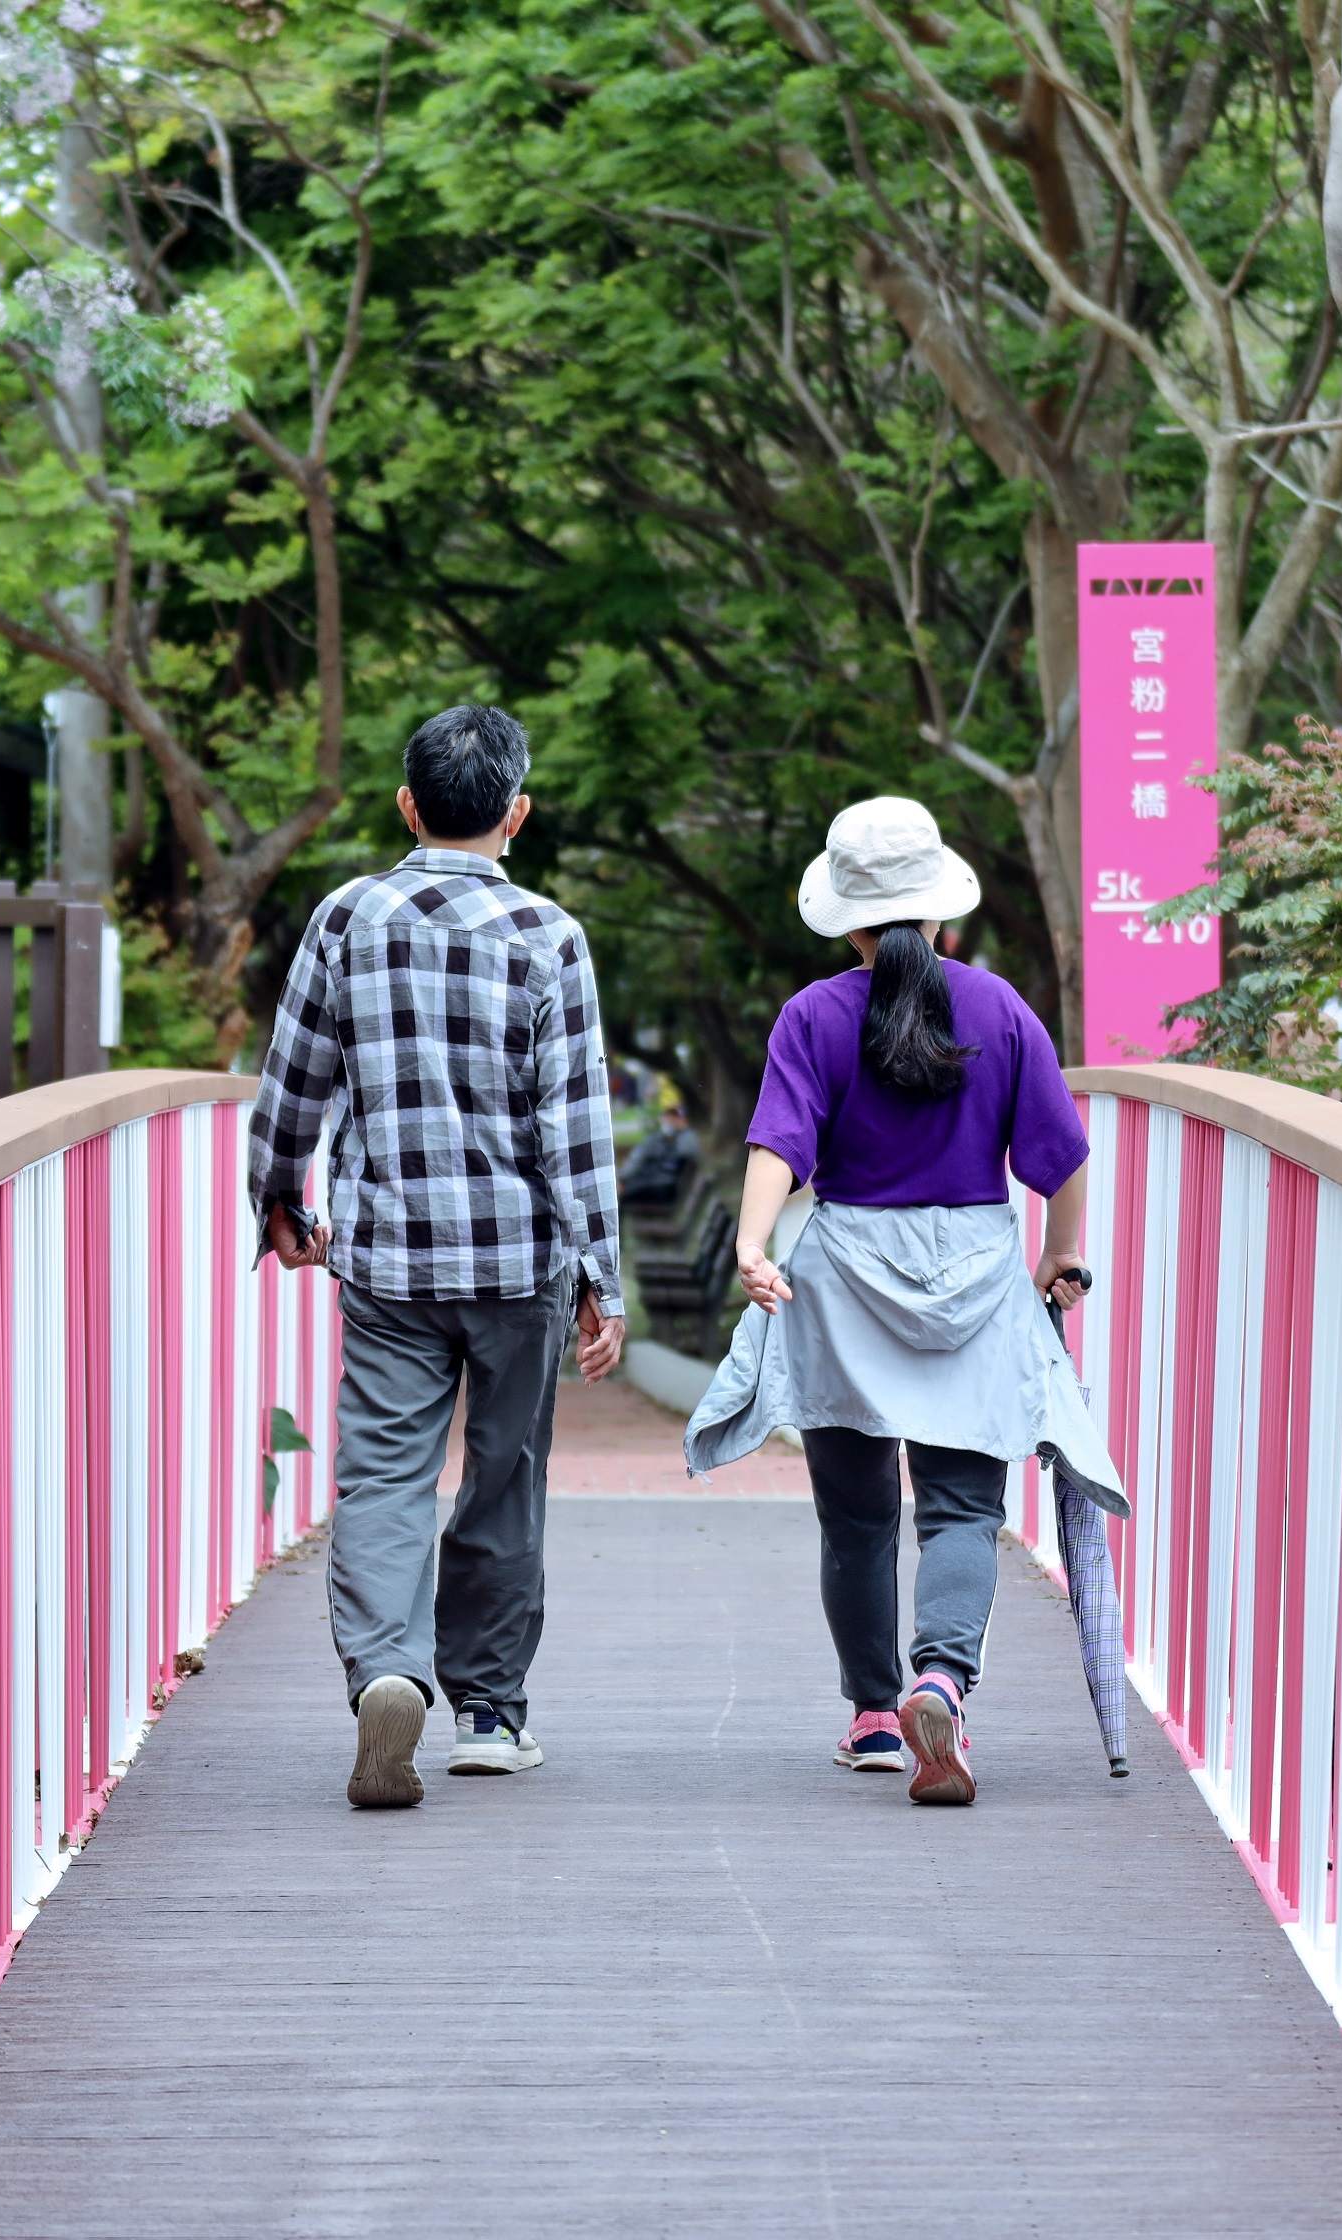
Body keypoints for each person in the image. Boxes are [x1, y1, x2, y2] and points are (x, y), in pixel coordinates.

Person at [683, 797, 1123, 1807]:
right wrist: (1061, 1253)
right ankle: (943, 1680)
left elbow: (778, 1147)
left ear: (847, 922)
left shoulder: (815, 1015)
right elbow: (1061, 1156)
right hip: (970, 1269)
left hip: (844, 1279)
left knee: (856, 1517)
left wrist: (753, 1243)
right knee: (964, 1505)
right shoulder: (1003, 1010)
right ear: (943, 918)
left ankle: (877, 1714)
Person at [247, 704, 627, 1810]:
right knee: (504, 1478)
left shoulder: (347, 918)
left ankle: (387, 1671)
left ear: (406, 804)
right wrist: (602, 1270)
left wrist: (280, 1192)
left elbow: (295, 1077)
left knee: (384, 1475)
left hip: (390, 1262)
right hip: (520, 1266)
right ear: (518, 812)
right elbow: (577, 1123)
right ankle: (492, 1713)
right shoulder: (550, 934)